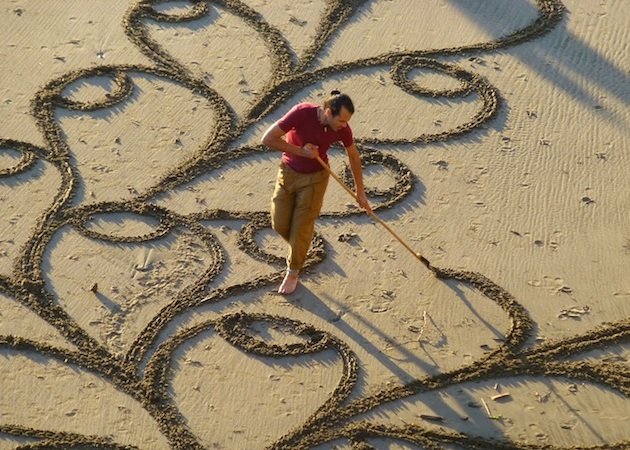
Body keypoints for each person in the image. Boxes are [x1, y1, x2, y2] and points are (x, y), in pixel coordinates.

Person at [261, 90, 372, 295]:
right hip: (287, 172)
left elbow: (354, 158)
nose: (345, 125)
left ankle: (293, 271)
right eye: (341, 120)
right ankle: (300, 247)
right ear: (328, 113)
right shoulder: (302, 112)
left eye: (347, 121)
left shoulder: (342, 130)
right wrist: (301, 151)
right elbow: (267, 138)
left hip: (316, 179)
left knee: (302, 226)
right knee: (279, 224)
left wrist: (360, 192)